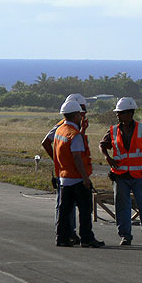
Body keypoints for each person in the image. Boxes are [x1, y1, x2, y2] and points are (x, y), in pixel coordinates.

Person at [99, 97, 142, 247]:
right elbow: (102, 145)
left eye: (121, 112)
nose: (118, 115)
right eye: (118, 113)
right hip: (120, 176)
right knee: (122, 208)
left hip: (138, 176)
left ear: (130, 113)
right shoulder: (113, 130)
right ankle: (125, 236)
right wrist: (107, 158)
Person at [54, 100, 104, 248]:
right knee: (85, 210)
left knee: (64, 211)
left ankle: (62, 238)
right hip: (77, 179)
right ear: (76, 115)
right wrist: (85, 178)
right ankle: (86, 238)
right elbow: (77, 157)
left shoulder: (60, 131)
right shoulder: (74, 135)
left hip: (64, 177)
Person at [42, 93, 89, 245]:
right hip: (68, 173)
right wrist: (59, 161)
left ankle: (68, 233)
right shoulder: (63, 126)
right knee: (65, 206)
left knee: (67, 206)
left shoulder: (75, 126)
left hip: (69, 172)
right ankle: (68, 233)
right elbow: (46, 142)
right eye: (82, 110)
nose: (84, 113)